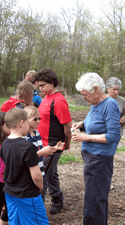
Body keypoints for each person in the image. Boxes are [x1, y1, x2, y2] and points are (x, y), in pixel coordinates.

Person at [71, 72, 121, 225]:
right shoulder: (95, 104)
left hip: (99, 159)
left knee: (95, 200)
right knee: (93, 197)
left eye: (85, 95)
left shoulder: (110, 104)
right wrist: (82, 124)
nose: (84, 98)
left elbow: (113, 136)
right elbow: (96, 122)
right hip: (91, 157)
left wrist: (86, 137)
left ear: (95, 89)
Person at [0, 108, 49, 225]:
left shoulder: (4, 144)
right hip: (27, 194)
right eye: (27, 122)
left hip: (10, 192)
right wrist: (40, 186)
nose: (28, 125)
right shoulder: (27, 146)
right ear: (21, 123)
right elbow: (36, 176)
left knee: (15, 222)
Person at [33, 68, 72, 214]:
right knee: (51, 173)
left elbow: (67, 126)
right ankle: (57, 199)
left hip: (52, 146)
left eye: (42, 85)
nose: (40, 89)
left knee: (42, 179)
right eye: (39, 86)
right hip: (41, 144)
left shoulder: (59, 101)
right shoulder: (46, 97)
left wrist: (66, 145)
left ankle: (37, 215)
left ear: (51, 83)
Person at [23, 106, 65, 180]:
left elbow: (39, 151)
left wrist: (55, 148)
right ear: (26, 120)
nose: (38, 121)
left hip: (39, 170)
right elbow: (25, 159)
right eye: (35, 119)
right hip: (29, 175)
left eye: (39, 118)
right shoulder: (23, 137)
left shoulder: (36, 134)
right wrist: (41, 153)